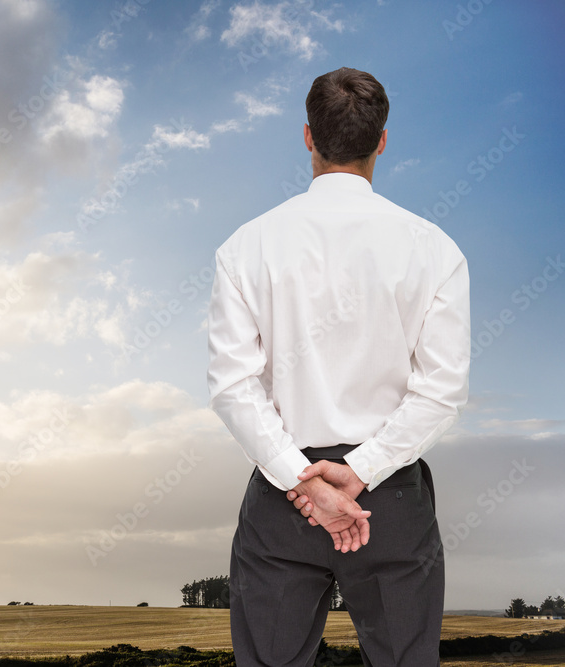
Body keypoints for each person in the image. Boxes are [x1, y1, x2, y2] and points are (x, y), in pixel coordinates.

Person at [206, 67, 470, 667]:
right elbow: (441, 393)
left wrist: (304, 482)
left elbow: (232, 386)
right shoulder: (435, 249)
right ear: (381, 141)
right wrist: (360, 471)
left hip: (282, 503)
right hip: (390, 500)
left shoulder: (245, 246)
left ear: (307, 137)